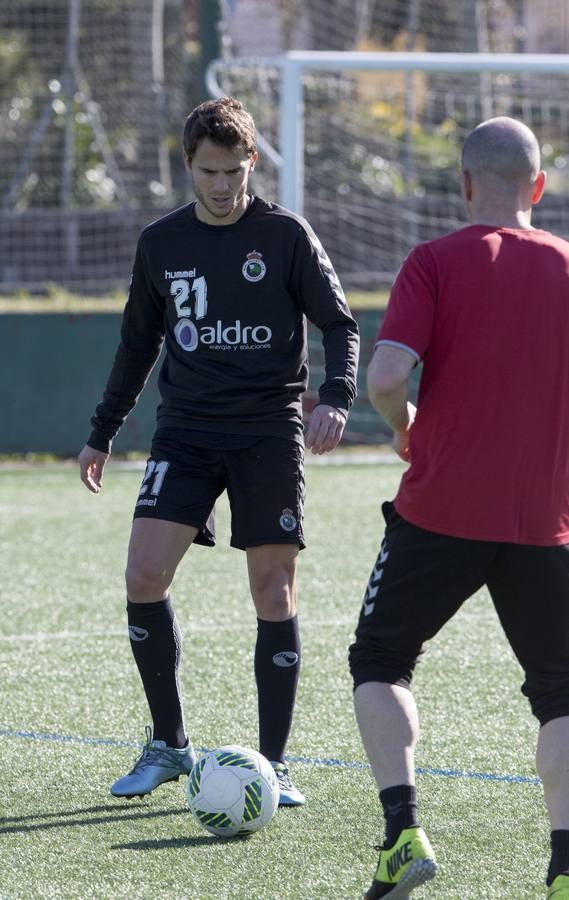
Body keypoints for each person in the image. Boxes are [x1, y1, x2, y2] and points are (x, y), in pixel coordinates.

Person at [78, 97, 359, 807]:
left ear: (252, 162)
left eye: (235, 170)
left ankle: (273, 766)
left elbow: (338, 323)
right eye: (209, 171)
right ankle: (169, 745)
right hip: (186, 432)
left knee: (272, 591)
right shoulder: (161, 244)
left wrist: (334, 396)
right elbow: (137, 344)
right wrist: (103, 430)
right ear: (187, 167)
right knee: (143, 574)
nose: (223, 185)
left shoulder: (286, 235)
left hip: (268, 431)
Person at [349, 116, 569, 899]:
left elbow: (383, 378)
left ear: (464, 184)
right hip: (544, 517)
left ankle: (402, 832)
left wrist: (405, 429)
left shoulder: (433, 261)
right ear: (537, 187)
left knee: (379, 659)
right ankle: (564, 868)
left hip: (438, 507)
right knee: (559, 691)